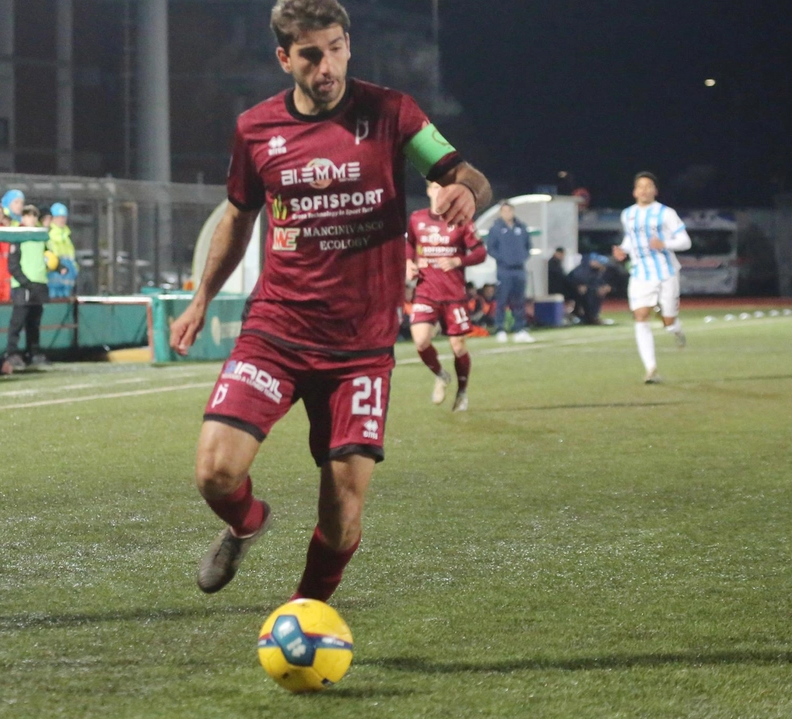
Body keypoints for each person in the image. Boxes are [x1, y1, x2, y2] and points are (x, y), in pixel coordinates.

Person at [169, 0, 491, 603]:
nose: (328, 66)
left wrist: (467, 193)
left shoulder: (391, 112)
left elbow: (464, 171)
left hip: (360, 348)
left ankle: (306, 614)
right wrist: (200, 299)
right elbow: (238, 220)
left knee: (342, 515)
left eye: (337, 48)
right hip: (276, 329)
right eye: (312, 54)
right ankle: (247, 522)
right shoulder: (255, 129)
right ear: (284, 57)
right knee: (215, 472)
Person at [406, 181, 488, 410]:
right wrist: (408, 263)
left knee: (459, 347)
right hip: (425, 291)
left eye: (444, 188)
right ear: (429, 191)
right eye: (436, 187)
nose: (440, 191)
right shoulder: (416, 218)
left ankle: (462, 392)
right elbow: (409, 244)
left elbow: (481, 252)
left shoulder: (462, 220)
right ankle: (441, 375)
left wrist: (458, 260)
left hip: (454, 295)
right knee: (421, 341)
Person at [613, 172, 691, 383]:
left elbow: (685, 241)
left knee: (668, 321)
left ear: (655, 191)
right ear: (634, 191)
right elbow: (630, 239)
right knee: (640, 315)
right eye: (640, 186)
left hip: (666, 272)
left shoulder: (665, 213)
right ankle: (651, 369)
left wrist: (665, 244)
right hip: (640, 273)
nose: (644, 190)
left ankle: (675, 328)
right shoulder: (627, 214)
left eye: (649, 186)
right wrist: (622, 250)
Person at [6, 207, 51, 366]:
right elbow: (12, 264)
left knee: (34, 322)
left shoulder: (41, 236)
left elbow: (48, 257)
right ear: (22, 218)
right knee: (18, 321)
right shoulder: (17, 236)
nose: (31, 219)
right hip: (23, 286)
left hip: (39, 284)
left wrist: (57, 266)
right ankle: (12, 353)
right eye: (28, 216)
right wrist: (25, 281)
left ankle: (33, 352)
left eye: (34, 216)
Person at [486, 201, 534, 343]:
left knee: (519, 301)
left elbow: (528, 246)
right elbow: (491, 248)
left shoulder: (521, 227)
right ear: (501, 213)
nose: (507, 214)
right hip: (504, 270)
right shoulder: (496, 228)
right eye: (504, 211)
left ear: (513, 211)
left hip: (519, 270)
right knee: (502, 300)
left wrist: (522, 258)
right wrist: (503, 259)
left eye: (509, 211)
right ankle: (500, 329)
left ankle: (519, 329)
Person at [46, 202, 78, 299]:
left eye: (63, 217)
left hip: (68, 281)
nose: (61, 220)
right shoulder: (48, 235)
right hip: (53, 280)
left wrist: (75, 269)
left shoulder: (67, 237)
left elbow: (71, 257)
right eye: (58, 217)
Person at [568, 253, 610, 325]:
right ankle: (589, 317)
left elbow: (596, 282)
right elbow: (574, 281)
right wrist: (578, 286)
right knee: (590, 295)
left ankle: (593, 316)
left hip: (586, 290)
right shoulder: (583, 269)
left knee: (596, 293)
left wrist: (604, 287)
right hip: (572, 290)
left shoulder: (595, 270)